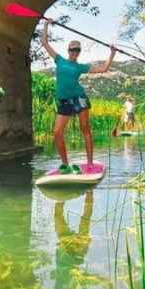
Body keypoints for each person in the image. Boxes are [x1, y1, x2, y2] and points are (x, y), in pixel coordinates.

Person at [42, 18, 116, 174]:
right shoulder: (59, 60)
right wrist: (46, 25)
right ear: (68, 51)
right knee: (57, 132)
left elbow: (104, 68)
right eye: (73, 50)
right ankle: (65, 164)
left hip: (79, 99)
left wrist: (112, 53)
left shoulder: (81, 67)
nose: (75, 53)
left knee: (85, 129)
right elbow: (45, 43)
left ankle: (89, 163)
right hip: (65, 102)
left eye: (77, 51)